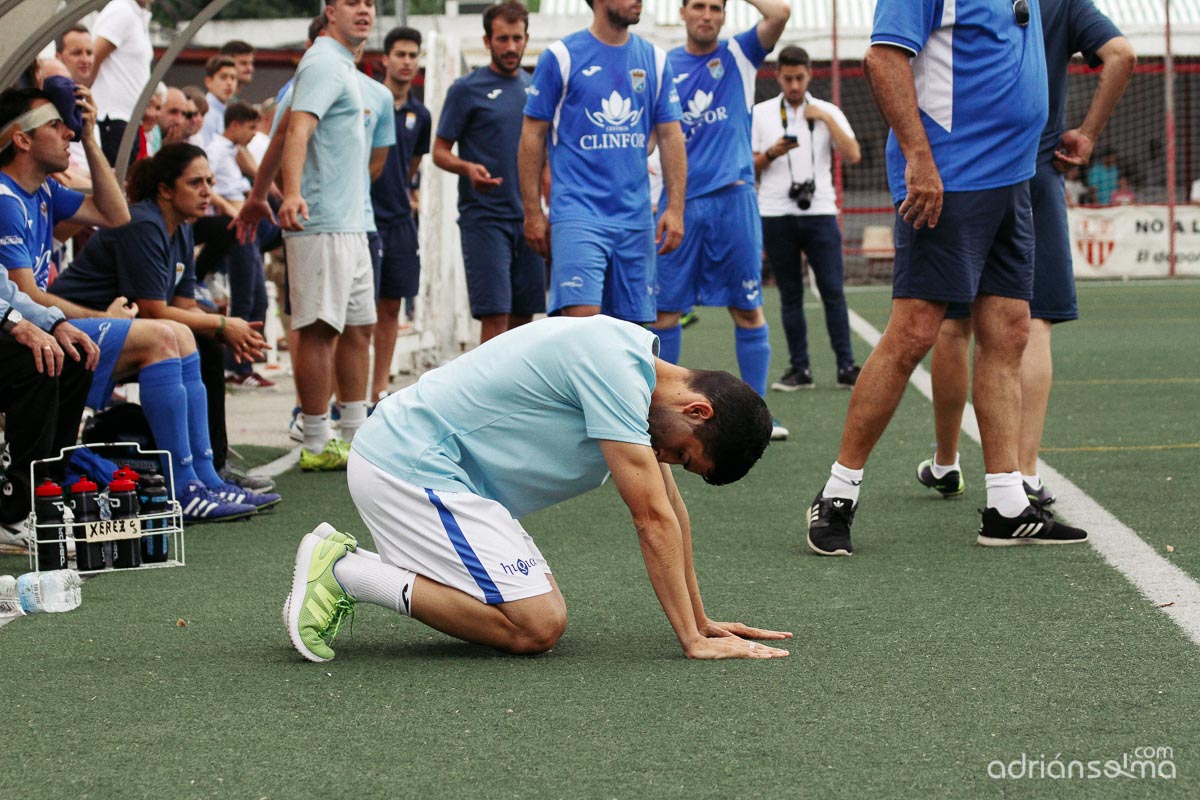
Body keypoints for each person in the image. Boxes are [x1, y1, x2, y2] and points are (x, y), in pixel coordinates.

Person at [283, 315, 791, 662]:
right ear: (697, 411)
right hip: (408, 465)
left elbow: (671, 508)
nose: (667, 460)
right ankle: (347, 571)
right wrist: (689, 642)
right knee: (535, 625)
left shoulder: (633, 367)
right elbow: (650, 518)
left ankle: (358, 567)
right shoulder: (616, 370)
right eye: (683, 454)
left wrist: (702, 622)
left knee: (536, 618)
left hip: (444, 478)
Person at [804, 0, 1089, 556]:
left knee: (1009, 332)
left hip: (1013, 179)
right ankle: (838, 494)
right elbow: (883, 60)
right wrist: (919, 158)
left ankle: (1006, 504)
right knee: (914, 333)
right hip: (948, 180)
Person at [0, 90, 275, 521]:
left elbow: (114, 213)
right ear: (21, 139)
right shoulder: (6, 198)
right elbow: (26, 296)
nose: (68, 131)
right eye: (57, 126)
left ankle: (204, 477)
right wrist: (99, 318)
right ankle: (183, 487)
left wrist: (91, 140)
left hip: (59, 325)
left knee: (184, 333)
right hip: (46, 325)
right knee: (169, 334)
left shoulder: (45, 193)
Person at [915, 0, 1134, 509]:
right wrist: (1087, 135)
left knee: (954, 323)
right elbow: (1121, 54)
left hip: (965, 168)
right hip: (1035, 170)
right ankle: (1026, 473)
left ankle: (946, 462)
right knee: (1032, 323)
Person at [648, 0, 790, 442]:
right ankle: (661, 416)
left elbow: (780, 13)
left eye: (715, 7)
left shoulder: (739, 54)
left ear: (724, 15)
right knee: (665, 313)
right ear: (683, 13)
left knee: (748, 308)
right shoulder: (663, 63)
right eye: (698, 7)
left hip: (734, 200)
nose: (706, 15)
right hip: (679, 204)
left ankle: (756, 419)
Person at [519, 0, 686, 324]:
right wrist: (533, 212)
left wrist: (675, 209)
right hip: (578, 214)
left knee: (633, 333)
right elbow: (531, 136)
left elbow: (670, 136)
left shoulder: (655, 58)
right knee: (582, 322)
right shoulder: (561, 57)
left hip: (636, 219)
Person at [275, 0, 379, 470]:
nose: (365, 11)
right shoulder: (320, 60)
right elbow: (295, 131)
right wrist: (290, 194)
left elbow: (280, 131)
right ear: (330, 10)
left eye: (370, 3)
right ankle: (316, 442)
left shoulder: (343, 67)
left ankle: (356, 437)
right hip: (318, 223)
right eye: (353, 2)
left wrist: (259, 195)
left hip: (351, 223)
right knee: (319, 330)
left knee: (359, 329)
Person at [433, 1, 545, 345]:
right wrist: (468, 168)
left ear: (526, 39)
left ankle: (521, 397)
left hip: (527, 218)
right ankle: (490, 398)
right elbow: (439, 152)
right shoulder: (466, 89)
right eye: (502, 39)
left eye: (517, 38)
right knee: (495, 314)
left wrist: (546, 211)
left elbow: (546, 160)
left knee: (525, 317)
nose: (511, 47)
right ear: (487, 41)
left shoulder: (534, 88)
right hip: (485, 218)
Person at [752, 45, 862, 393]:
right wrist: (772, 153)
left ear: (810, 74)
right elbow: (747, 164)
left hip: (820, 212)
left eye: (800, 78)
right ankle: (800, 369)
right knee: (789, 294)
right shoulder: (761, 113)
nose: (794, 85)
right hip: (775, 212)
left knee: (832, 290)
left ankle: (846, 366)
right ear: (778, 76)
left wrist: (827, 119)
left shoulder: (827, 110)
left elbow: (854, 154)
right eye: (788, 78)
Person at [369, 27, 429, 404]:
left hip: (400, 221)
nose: (406, 61)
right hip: (363, 218)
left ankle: (378, 388)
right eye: (400, 54)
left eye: (412, 55)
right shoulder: (369, 101)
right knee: (356, 313)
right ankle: (348, 394)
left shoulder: (420, 114)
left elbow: (412, 165)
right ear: (385, 59)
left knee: (391, 305)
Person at [90, 0, 153, 166]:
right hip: (112, 119)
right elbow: (93, 57)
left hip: (128, 120)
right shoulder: (121, 9)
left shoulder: (138, 15)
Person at [200, 55, 239, 149]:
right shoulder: (205, 113)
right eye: (223, 77)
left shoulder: (229, 111)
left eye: (233, 78)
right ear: (209, 82)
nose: (229, 83)